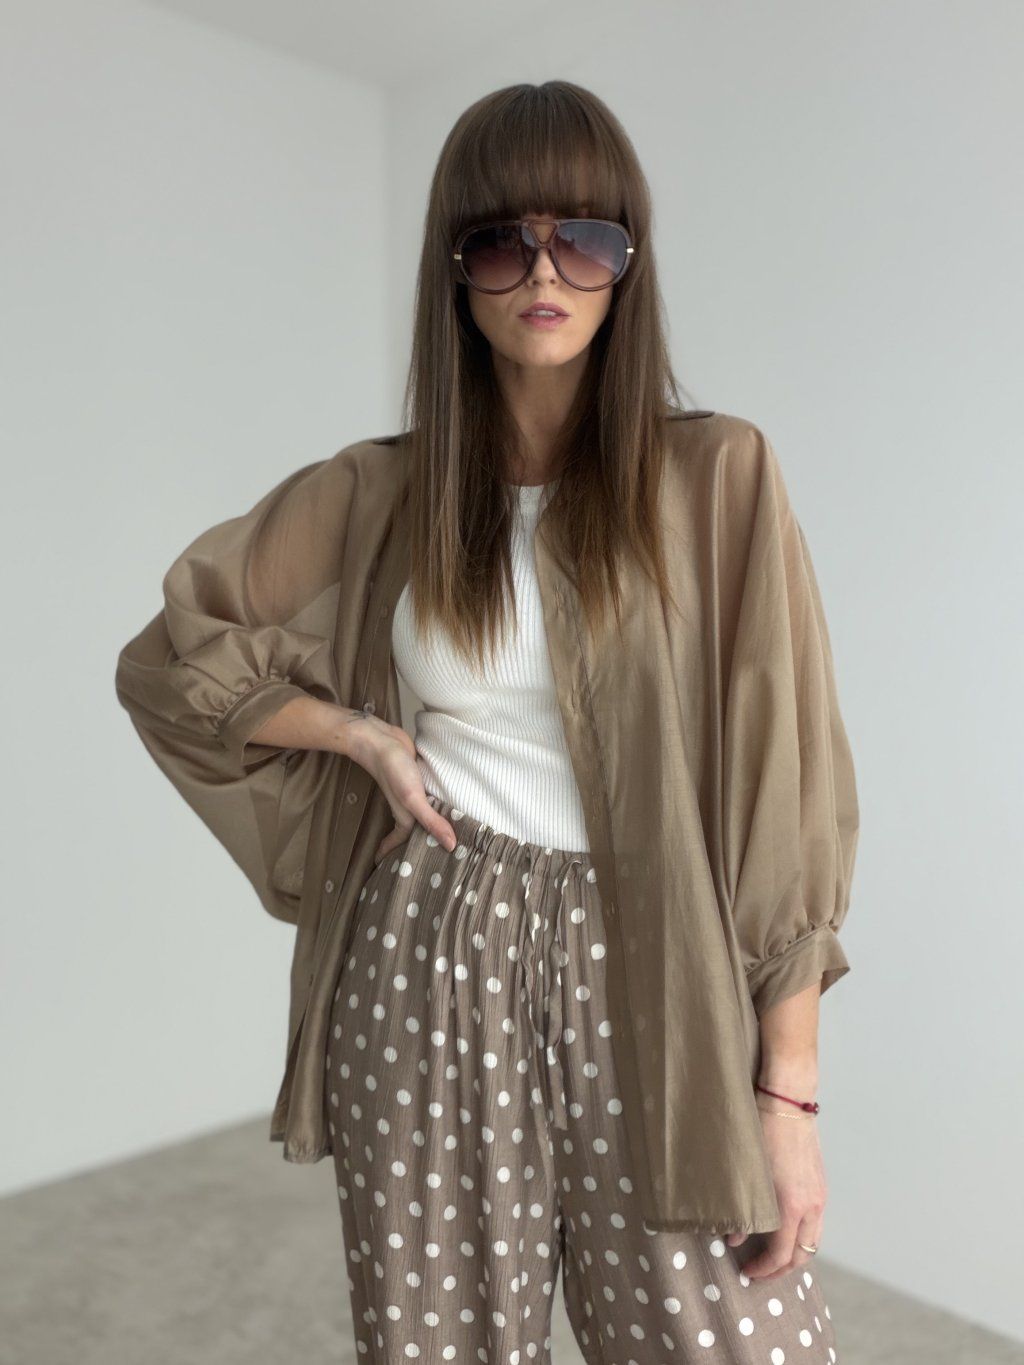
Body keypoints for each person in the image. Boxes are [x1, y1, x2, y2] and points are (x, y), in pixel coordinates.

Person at [115, 80, 857, 1364]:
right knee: (437, 1345)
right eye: (502, 240)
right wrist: (357, 735)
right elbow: (172, 656)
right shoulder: (379, 492)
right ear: (456, 269)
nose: (545, 272)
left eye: (586, 239)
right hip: (431, 949)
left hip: (659, 968)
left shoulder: (715, 475)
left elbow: (781, 795)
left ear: (629, 265)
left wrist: (787, 1098)